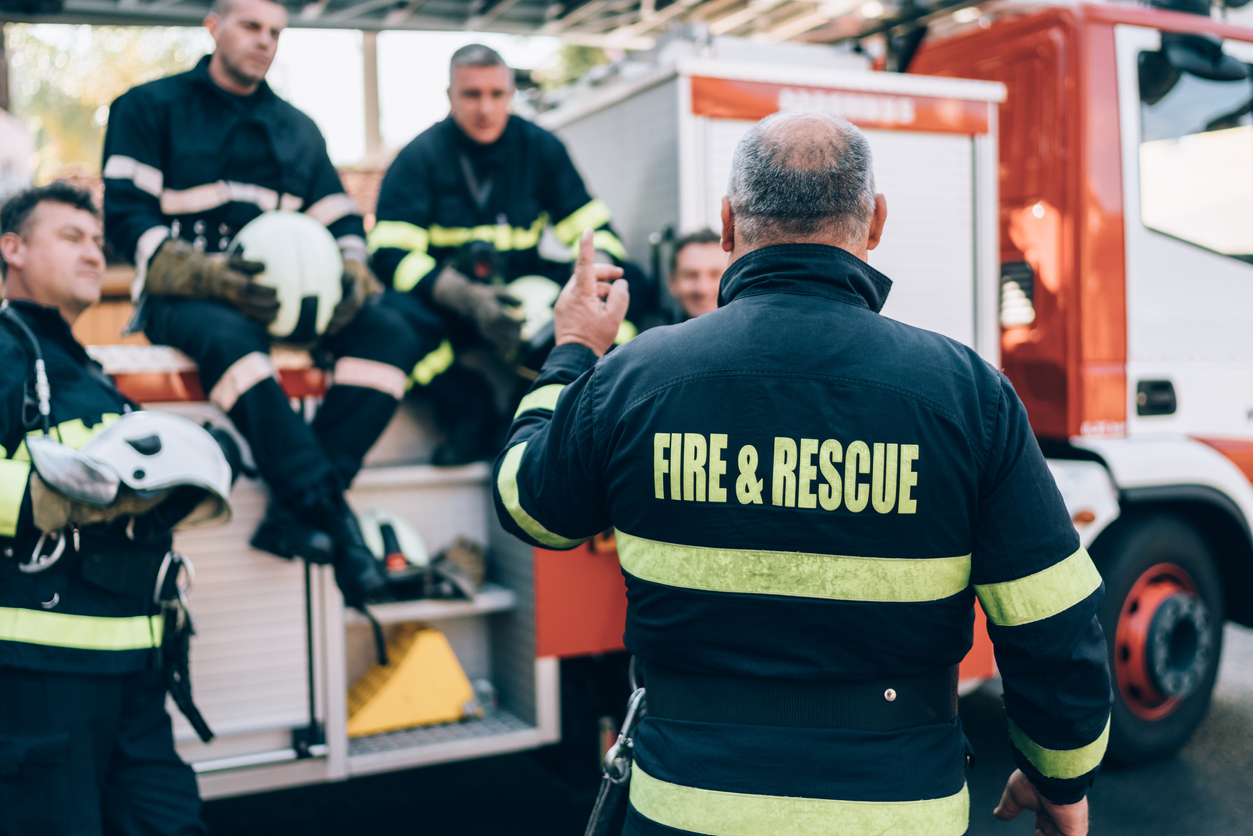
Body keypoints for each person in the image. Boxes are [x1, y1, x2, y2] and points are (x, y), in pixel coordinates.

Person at [492, 112, 1112, 836]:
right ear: (874, 221)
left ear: (727, 226)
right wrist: (1058, 777)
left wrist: (570, 352)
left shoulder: (633, 377)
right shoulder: (967, 394)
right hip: (898, 812)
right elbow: (1050, 622)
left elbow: (529, 506)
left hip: (685, 808)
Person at [102, 0, 423, 611]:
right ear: (213, 26)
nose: (264, 41)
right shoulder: (147, 107)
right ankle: (331, 515)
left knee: (392, 334)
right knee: (230, 340)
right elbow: (123, 214)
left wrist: (352, 268)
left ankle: (293, 513)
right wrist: (200, 273)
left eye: (275, 31)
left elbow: (341, 218)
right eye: (250, 26)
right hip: (183, 298)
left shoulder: (298, 129)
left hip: (288, 301)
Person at [0, 183, 220, 835]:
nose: (94, 255)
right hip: (41, 678)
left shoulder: (83, 367)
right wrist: (43, 501)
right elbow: (54, 497)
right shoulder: (8, 351)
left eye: (97, 242)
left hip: (134, 671)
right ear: (10, 249)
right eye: (71, 238)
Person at [370, 43, 647, 464]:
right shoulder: (419, 158)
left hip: (525, 297)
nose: (485, 107)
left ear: (511, 94)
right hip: (450, 304)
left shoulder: (541, 149)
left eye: (497, 94)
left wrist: (589, 286)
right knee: (389, 319)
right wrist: (465, 297)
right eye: (471, 94)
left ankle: (578, 412)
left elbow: (594, 230)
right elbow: (389, 253)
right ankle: (469, 412)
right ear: (450, 96)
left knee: (633, 286)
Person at [666, 228, 724, 320]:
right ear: (672, 282)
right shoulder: (652, 334)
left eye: (715, 275)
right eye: (691, 275)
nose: (703, 289)